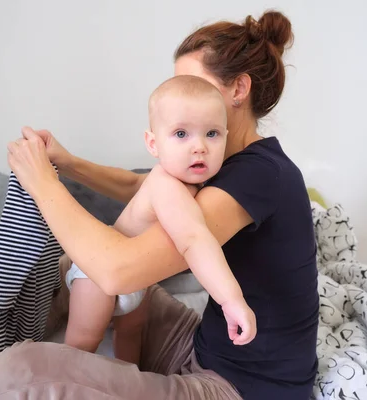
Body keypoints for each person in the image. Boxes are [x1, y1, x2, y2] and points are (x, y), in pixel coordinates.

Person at [0, 10, 319, 400]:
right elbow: (148, 189)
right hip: (205, 346)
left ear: (238, 89)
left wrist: (42, 183)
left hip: (241, 388)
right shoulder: (218, 158)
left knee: (30, 369)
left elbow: (117, 270)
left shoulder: (260, 174)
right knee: (63, 272)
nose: (183, 100)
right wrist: (69, 163)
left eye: (195, 87)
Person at [64, 74, 257, 363]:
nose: (199, 146)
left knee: (132, 332)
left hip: (140, 280)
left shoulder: (209, 185)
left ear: (226, 137)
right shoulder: (165, 184)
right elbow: (193, 239)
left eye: (212, 133)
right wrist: (231, 299)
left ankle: (128, 379)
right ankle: (62, 382)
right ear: (153, 144)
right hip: (98, 276)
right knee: (82, 342)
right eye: (181, 134)